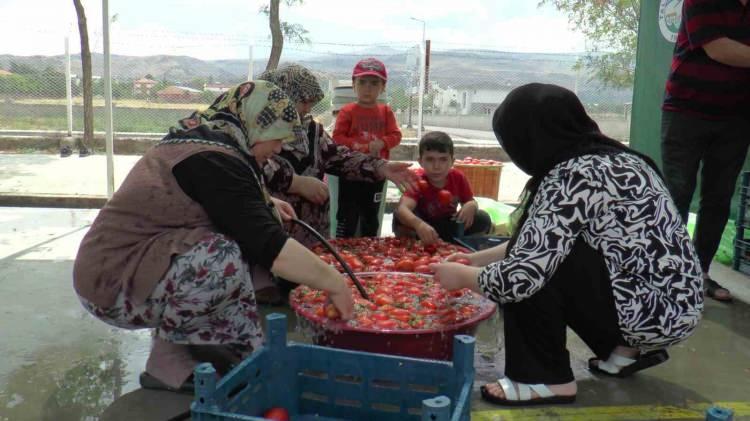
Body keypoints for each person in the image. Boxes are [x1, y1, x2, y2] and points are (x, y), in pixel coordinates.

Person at [73, 81, 354, 393]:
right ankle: (178, 362)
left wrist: (267, 202)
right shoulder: (212, 158)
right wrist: (334, 282)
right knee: (220, 256)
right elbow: (270, 246)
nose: (279, 149)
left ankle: (217, 355)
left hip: (142, 263)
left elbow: (206, 195)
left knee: (230, 252)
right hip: (112, 284)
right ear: (256, 124)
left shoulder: (213, 140)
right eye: (277, 138)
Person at [431, 84, 703, 406]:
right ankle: (623, 354)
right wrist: (475, 259)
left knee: (531, 272)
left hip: (646, 312)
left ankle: (542, 379)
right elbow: (555, 240)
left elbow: (522, 275)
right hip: (676, 306)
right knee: (553, 255)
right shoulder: (619, 159)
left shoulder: (571, 174)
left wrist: (461, 278)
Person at [258, 64, 416, 248]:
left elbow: (338, 156)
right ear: (284, 97)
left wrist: (380, 166)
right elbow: (248, 167)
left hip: (312, 234)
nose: (308, 108)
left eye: (311, 102)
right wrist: (295, 183)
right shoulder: (258, 129)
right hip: (273, 232)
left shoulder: (311, 130)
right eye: (304, 102)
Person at [660, 0, 750, 303]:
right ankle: (667, 274)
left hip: (736, 118)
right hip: (686, 111)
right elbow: (718, 48)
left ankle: (700, 274)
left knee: (719, 198)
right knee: (678, 193)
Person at [332, 57, 402, 237]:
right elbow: (337, 138)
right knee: (348, 214)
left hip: (377, 174)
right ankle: (343, 249)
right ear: (354, 84)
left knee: (371, 215)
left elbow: (396, 135)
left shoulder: (386, 112)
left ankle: (370, 250)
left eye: (374, 83)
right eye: (362, 82)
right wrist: (358, 146)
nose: (367, 88)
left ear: (383, 87)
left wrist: (383, 142)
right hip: (350, 174)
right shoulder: (347, 111)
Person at [393, 131, 491, 245]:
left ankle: (461, 244)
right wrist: (419, 225)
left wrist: (471, 205)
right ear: (420, 162)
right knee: (398, 216)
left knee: (481, 218)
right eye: (430, 159)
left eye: (443, 159)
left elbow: (469, 201)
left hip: (448, 226)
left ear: (452, 162)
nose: (436, 166)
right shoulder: (417, 180)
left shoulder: (458, 178)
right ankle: (412, 244)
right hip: (420, 229)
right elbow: (402, 209)